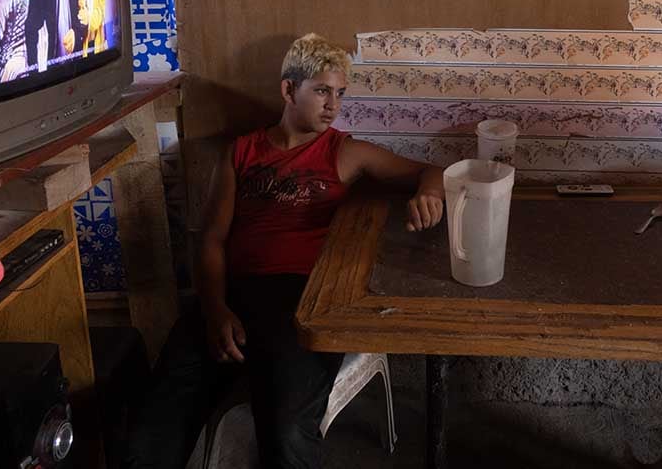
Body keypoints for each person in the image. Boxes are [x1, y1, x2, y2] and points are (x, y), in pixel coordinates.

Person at [124, 34, 445, 469]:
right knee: (153, 421)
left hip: (301, 300)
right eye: (321, 91)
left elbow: (431, 172)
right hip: (233, 293)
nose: (333, 105)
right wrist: (216, 309)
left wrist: (430, 195)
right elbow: (212, 239)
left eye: (340, 94)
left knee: (287, 428)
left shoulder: (344, 152)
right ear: (288, 90)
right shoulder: (242, 153)